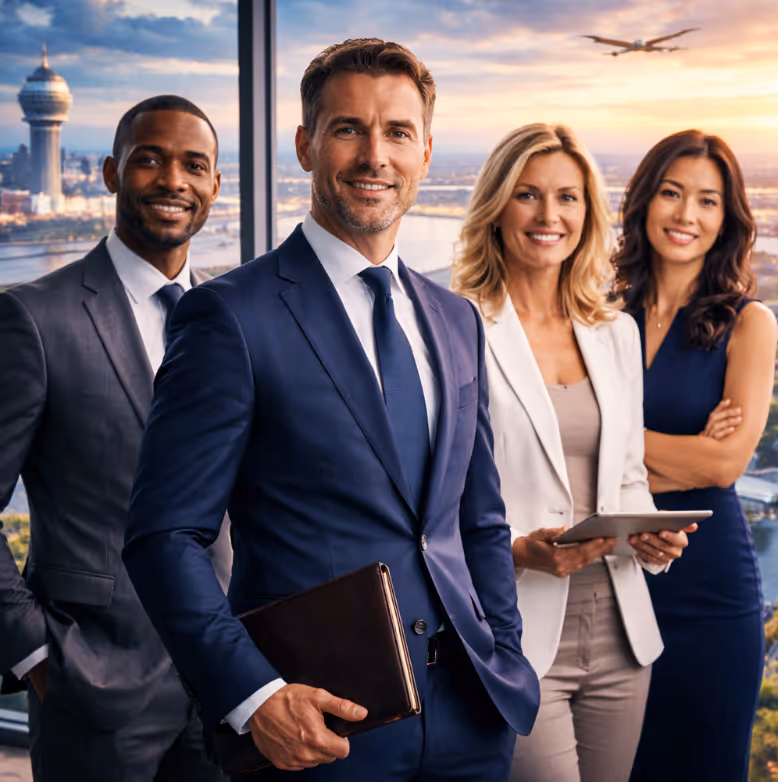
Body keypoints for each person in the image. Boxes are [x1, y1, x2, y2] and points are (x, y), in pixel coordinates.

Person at [122, 38, 540, 781]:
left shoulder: (455, 319)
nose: (375, 155)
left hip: (473, 720)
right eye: (349, 129)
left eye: (398, 133)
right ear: (306, 145)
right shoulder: (230, 316)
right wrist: (256, 698)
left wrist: (504, 649)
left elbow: (478, 519)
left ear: (427, 151)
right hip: (321, 732)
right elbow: (164, 536)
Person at [0, 95, 231, 782]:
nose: (173, 181)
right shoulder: (34, 319)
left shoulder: (236, 318)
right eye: (149, 160)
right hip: (94, 688)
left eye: (195, 165)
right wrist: (37, 656)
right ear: (109, 172)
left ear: (216, 186)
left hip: (230, 685)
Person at [452, 123, 693, 782]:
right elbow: (433, 504)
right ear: (498, 208)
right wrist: (517, 552)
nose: (549, 215)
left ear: (589, 214)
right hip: (517, 633)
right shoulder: (457, 326)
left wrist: (649, 534)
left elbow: (626, 477)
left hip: (622, 635)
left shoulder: (615, 333)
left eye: (568, 197)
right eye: (528, 195)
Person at [614, 130, 777, 782]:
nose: (686, 215)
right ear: (645, 201)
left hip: (710, 595)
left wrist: (610, 446)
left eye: (707, 201)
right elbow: (562, 454)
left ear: (726, 218)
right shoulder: (600, 315)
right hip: (614, 581)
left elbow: (723, 467)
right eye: (672, 193)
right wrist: (669, 453)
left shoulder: (750, 323)